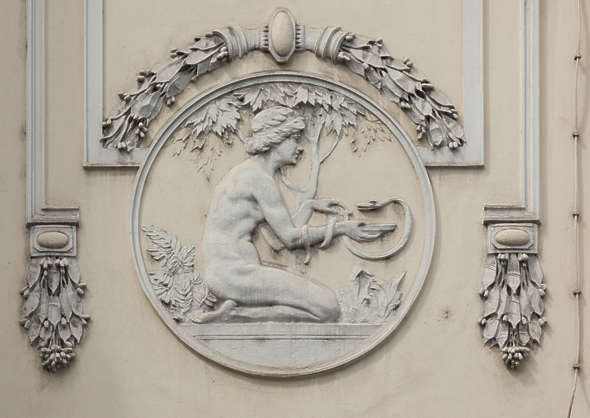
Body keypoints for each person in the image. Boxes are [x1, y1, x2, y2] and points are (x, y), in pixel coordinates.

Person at [191, 106, 390, 323]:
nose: (300, 147)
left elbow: (276, 241)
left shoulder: (247, 173)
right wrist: (341, 228)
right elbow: (290, 239)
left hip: (229, 274)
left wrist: (310, 206)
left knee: (320, 302)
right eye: (295, 139)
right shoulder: (259, 180)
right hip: (235, 275)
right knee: (329, 308)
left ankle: (237, 310)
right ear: (276, 139)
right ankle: (236, 314)